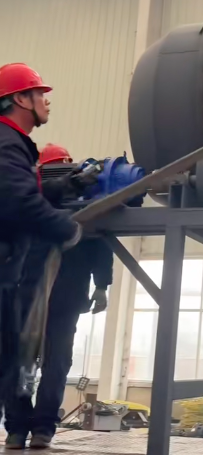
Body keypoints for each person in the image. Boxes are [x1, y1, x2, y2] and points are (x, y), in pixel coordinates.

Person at [4, 144, 114, 450]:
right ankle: (37, 429)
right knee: (53, 363)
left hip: (31, 297)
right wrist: (101, 286)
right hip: (58, 297)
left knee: (21, 363)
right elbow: (101, 244)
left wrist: (102, 285)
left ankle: (20, 430)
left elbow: (99, 243)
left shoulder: (26, 202)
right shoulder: (79, 205)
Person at [0, 64, 81, 445]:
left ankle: (23, 429)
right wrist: (66, 227)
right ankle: (20, 428)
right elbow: (18, 201)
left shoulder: (13, 143)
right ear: (20, 98)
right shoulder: (6, 142)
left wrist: (58, 189)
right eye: (39, 94)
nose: (46, 101)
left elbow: (17, 192)